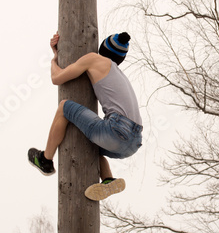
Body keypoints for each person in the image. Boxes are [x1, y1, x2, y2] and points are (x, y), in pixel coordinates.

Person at [28, 32, 143, 201]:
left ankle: (45, 159)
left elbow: (57, 78)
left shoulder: (94, 59)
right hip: (134, 141)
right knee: (90, 145)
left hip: (116, 129)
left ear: (102, 47)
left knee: (64, 107)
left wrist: (54, 58)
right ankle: (108, 179)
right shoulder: (119, 75)